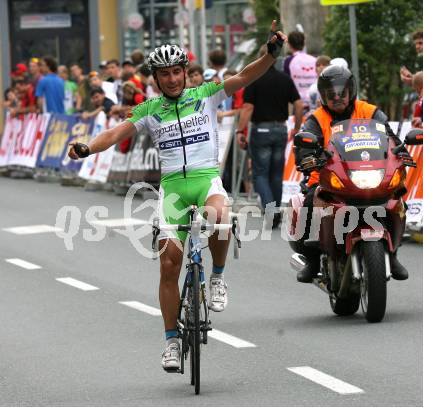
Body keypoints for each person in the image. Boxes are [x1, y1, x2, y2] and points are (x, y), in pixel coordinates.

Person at [68, 20, 286, 371]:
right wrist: (87, 147)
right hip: (172, 189)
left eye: (176, 72)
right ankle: (171, 342)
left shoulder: (206, 94)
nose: (171, 79)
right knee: (169, 264)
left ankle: (216, 277)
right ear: (155, 79)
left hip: (205, 180)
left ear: (186, 72)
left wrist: (270, 53)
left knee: (221, 216)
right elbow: (115, 132)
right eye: (163, 74)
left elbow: (245, 76)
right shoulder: (149, 110)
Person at [294, 65, 409, 283]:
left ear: (351, 91)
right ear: (323, 96)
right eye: (331, 94)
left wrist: (401, 151)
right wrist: (306, 157)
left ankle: (392, 254)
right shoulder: (315, 119)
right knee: (309, 203)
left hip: (369, 174)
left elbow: (391, 137)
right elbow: (303, 144)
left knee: (398, 199)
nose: (337, 98)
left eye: (342, 93)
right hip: (328, 178)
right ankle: (312, 258)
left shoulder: (370, 111)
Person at [236, 44, 303, 229]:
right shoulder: (285, 79)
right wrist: (296, 128)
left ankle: (271, 210)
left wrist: (240, 131)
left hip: (261, 131)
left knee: (260, 174)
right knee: (275, 174)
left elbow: (248, 108)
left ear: (260, 60)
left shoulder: (253, 80)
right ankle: (276, 210)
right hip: (281, 130)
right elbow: (298, 104)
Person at [283, 30, 317, 112]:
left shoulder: (288, 61)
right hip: (315, 103)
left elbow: (286, 84)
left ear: (289, 45)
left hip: (298, 104)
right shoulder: (315, 60)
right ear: (304, 43)